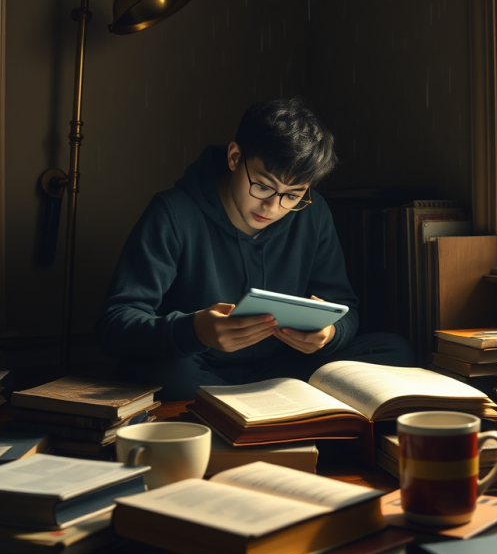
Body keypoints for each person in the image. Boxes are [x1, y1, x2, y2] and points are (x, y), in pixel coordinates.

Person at [96, 96, 414, 400]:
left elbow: (344, 308)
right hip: (195, 368)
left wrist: (330, 335)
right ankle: (258, 414)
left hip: (282, 369)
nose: (273, 206)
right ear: (235, 157)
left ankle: (236, 413)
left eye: (292, 195)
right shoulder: (173, 212)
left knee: (393, 350)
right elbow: (115, 323)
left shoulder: (313, 213)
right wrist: (193, 331)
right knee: (147, 371)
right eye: (262, 185)